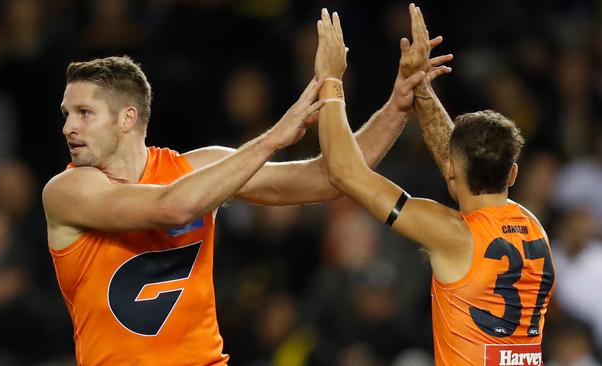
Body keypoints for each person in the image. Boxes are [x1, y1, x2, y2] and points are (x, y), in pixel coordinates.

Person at [42, 27, 452, 366]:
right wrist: (273, 138)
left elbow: (330, 178)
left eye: (84, 113)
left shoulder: (199, 169)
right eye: (67, 114)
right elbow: (172, 206)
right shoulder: (68, 190)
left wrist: (398, 105)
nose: (68, 128)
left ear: (127, 118)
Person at [315, 4, 555, 366]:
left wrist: (331, 81)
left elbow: (345, 173)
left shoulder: (451, 234)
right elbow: (455, 158)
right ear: (512, 175)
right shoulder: (535, 229)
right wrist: (421, 89)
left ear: (452, 171)